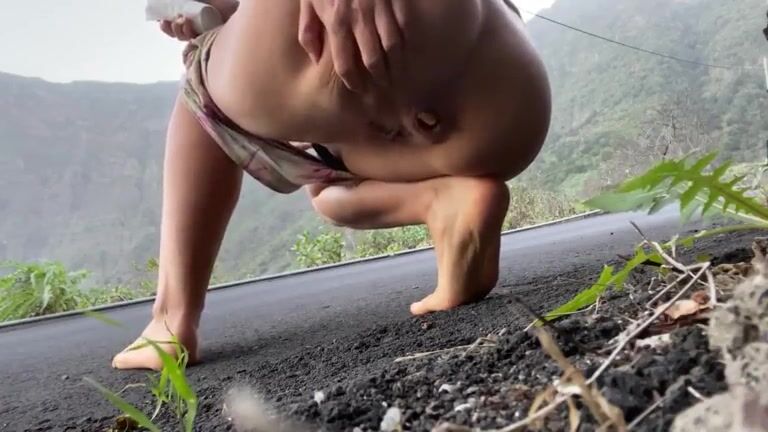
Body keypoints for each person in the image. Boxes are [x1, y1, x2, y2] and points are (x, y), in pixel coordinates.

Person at [112, 0, 551, 370]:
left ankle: (171, 320)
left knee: (202, 79)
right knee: (328, 195)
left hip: (345, 45)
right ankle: (444, 199)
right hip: (505, 104)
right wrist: (224, 13)